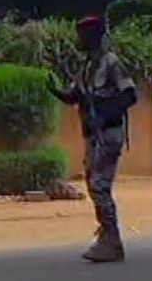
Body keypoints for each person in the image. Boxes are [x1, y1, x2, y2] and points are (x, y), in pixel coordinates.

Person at [48, 15, 138, 263]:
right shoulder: (86, 67)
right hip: (92, 135)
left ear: (94, 36)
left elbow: (130, 95)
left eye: (83, 33)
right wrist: (56, 91)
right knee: (95, 183)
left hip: (107, 133)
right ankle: (108, 236)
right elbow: (74, 96)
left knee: (99, 184)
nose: (79, 38)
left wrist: (105, 115)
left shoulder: (111, 63)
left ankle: (111, 238)